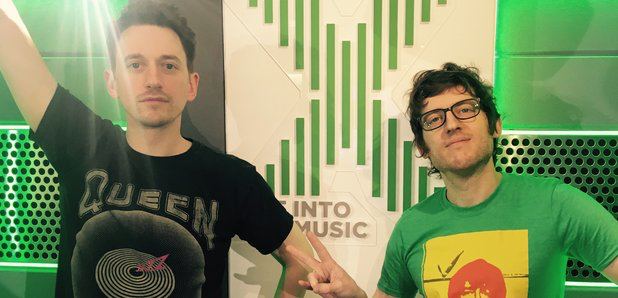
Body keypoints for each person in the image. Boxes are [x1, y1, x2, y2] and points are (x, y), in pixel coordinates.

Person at [0, 0, 312, 297]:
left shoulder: (231, 179)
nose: (153, 80)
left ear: (191, 84)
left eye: (168, 66)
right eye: (135, 65)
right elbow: (8, 35)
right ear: (113, 82)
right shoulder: (82, 143)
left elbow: (301, 258)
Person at [286, 62, 618, 297]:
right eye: (434, 118)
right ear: (421, 147)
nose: (451, 124)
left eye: (466, 109)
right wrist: (355, 296)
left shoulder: (554, 203)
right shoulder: (413, 226)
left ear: (496, 124)